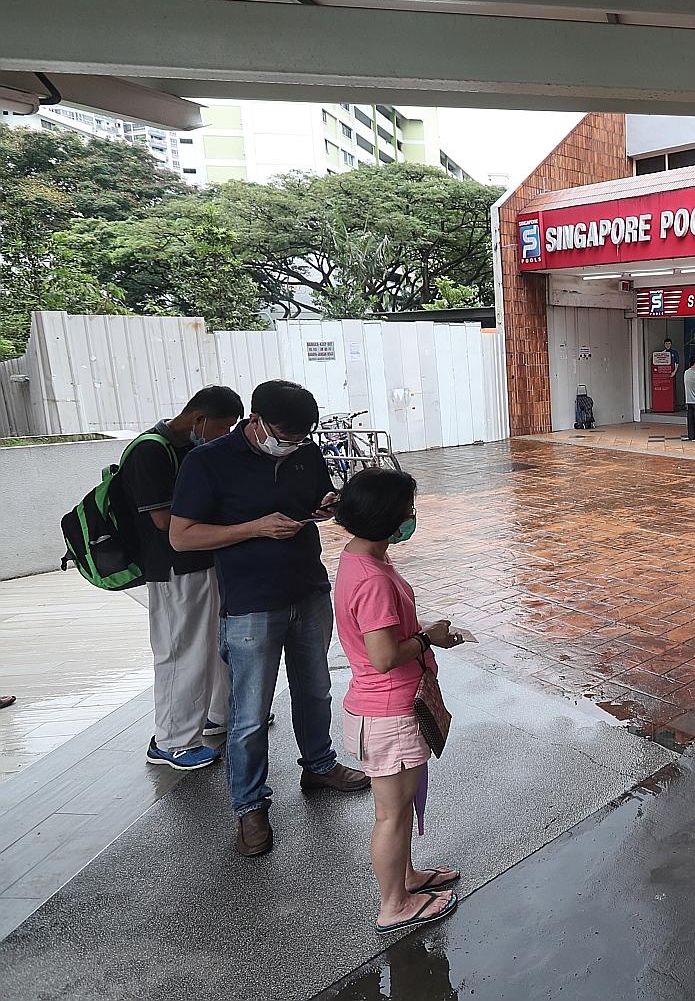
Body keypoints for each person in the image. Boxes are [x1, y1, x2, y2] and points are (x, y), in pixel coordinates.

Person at [170, 379, 368, 858]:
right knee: (250, 712)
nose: (293, 445)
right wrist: (255, 528)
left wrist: (328, 506)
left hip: (308, 589)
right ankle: (250, 806)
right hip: (251, 603)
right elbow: (182, 537)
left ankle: (318, 764)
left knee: (316, 689)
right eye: (284, 435)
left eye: (301, 439)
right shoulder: (208, 461)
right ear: (254, 422)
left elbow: (317, 498)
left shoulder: (305, 452)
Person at [333, 467, 466, 934]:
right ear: (388, 518)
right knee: (390, 813)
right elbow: (384, 654)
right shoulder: (372, 579)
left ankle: (406, 878)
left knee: (401, 805)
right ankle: (393, 904)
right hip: (388, 710)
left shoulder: (358, 559)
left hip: (381, 706)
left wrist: (423, 637)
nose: (411, 516)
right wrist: (427, 638)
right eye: (407, 510)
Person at [121, 385, 245, 770]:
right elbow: (162, 519)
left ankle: (219, 714)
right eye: (223, 427)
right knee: (180, 651)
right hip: (173, 568)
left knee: (210, 644)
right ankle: (173, 741)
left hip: (202, 561)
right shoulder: (149, 451)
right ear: (199, 420)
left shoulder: (185, 447)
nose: (224, 435)